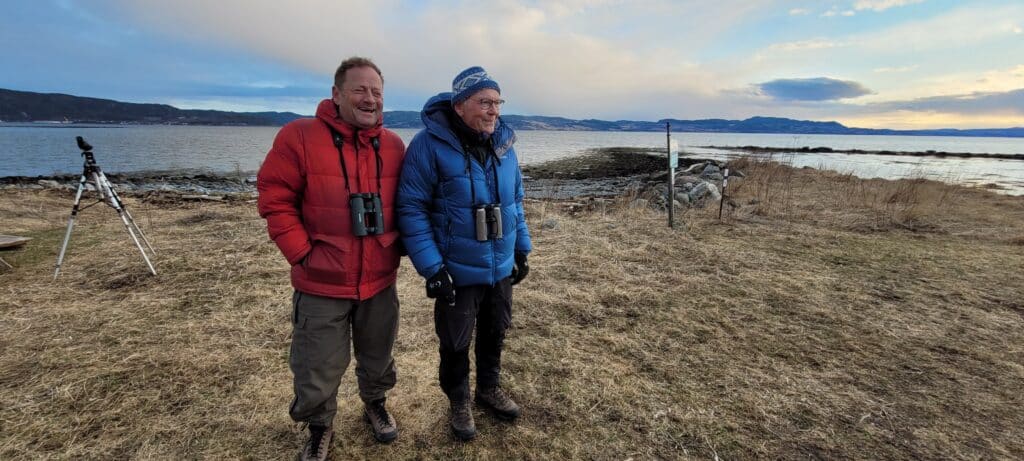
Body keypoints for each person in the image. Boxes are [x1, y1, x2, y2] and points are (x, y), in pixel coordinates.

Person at [257, 56, 406, 460]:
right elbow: (275, 197)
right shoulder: (299, 136)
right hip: (321, 280)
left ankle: (375, 405)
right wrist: (302, 253)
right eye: (359, 89)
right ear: (336, 94)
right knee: (316, 365)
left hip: (379, 278)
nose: (369, 98)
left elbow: (410, 204)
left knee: (378, 353)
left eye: (376, 91)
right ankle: (319, 426)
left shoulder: (393, 145)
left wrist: (402, 246)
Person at [397, 66, 532, 441]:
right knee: (455, 340)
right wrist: (432, 268)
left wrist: (522, 248)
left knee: (495, 329)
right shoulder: (428, 144)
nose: (493, 111)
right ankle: (458, 401)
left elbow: (515, 202)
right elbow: (411, 208)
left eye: (498, 103)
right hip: (455, 269)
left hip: (499, 264)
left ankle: (488, 389)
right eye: (484, 102)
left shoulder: (505, 144)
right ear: (459, 106)